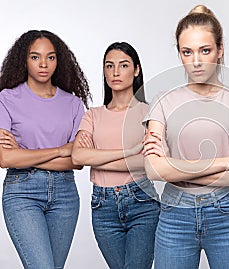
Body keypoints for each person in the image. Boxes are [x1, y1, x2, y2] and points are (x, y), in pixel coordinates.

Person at [142, 5, 229, 269]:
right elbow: (154, 170)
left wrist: (175, 168)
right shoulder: (162, 101)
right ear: (179, 53)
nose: (196, 61)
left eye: (205, 50)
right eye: (187, 52)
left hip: (228, 213)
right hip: (174, 214)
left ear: (220, 49)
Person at [0, 30, 91, 269]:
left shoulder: (73, 104)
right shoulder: (7, 99)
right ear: (24, 60)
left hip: (65, 195)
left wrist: (24, 154)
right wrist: (62, 150)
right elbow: (5, 157)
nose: (43, 64)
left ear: (58, 61)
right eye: (35, 57)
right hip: (22, 193)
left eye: (50, 57)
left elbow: (78, 161)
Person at [71, 42, 160, 269]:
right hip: (103, 205)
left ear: (137, 70)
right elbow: (78, 157)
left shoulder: (150, 113)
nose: (116, 72)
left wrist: (98, 157)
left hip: (142, 201)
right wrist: (129, 153)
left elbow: (151, 162)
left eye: (123, 65)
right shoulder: (93, 115)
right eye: (109, 66)